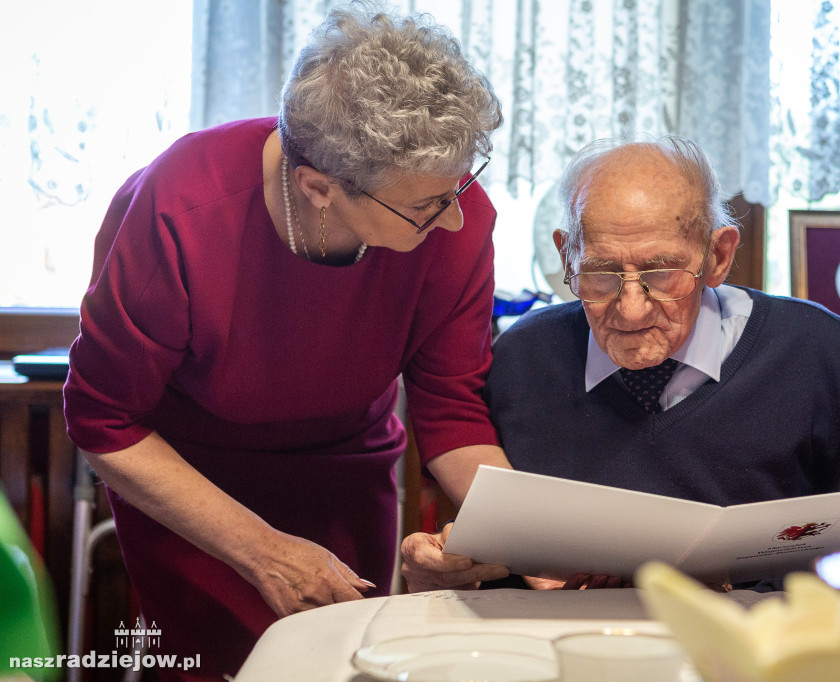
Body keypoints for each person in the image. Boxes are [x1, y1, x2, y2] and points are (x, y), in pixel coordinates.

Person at [63, 5, 511, 680]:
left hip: (347, 476)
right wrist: (262, 550)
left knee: (345, 663)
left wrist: (524, 534)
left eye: (460, 186)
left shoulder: (455, 216)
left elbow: (451, 413)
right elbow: (102, 421)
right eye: (426, 206)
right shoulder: (180, 208)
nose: (455, 219)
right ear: (318, 187)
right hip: (193, 491)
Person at [400, 135, 840, 593]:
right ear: (566, 257)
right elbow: (505, 578)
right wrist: (442, 576)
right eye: (601, 274)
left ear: (718, 256)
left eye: (661, 273)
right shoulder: (524, 359)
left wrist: (731, 588)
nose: (631, 310)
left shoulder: (819, 355)